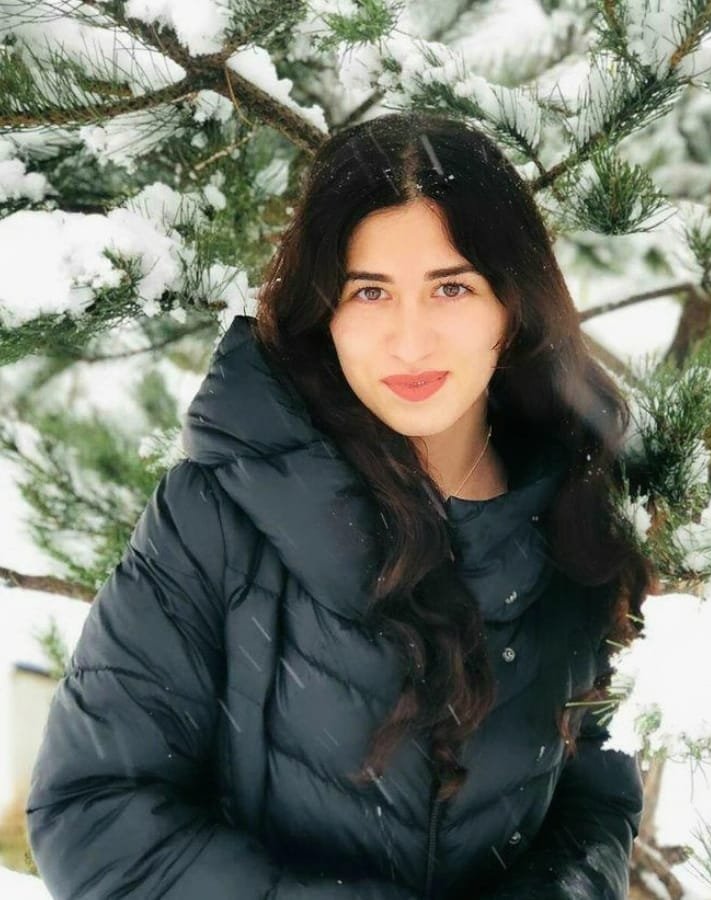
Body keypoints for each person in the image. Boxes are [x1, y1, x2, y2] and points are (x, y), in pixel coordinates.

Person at [26, 110, 653, 899]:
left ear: (512, 303)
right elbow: (90, 810)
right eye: (370, 291)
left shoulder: (577, 513)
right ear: (326, 308)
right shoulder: (218, 508)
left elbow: (594, 805)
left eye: (451, 286)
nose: (410, 341)